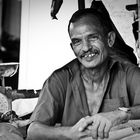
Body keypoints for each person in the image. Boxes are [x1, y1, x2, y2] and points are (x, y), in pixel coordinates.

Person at [27, 8, 140, 140]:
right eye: (77, 42)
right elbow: (33, 131)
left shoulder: (129, 73)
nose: (86, 48)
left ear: (109, 39)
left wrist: (120, 114)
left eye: (93, 37)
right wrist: (70, 133)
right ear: (72, 47)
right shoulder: (59, 79)